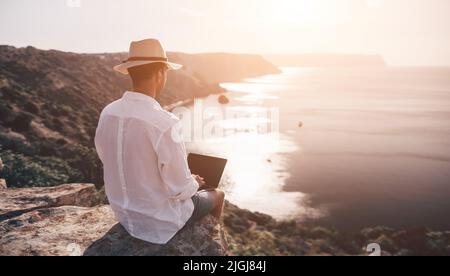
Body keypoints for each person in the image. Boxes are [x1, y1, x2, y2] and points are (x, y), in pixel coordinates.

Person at [94, 39, 225, 244]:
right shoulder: (165, 123)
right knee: (218, 194)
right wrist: (194, 182)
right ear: (160, 73)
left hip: (123, 214)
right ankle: (210, 243)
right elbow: (180, 189)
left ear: (130, 72)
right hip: (159, 224)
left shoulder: (108, 113)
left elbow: (106, 157)